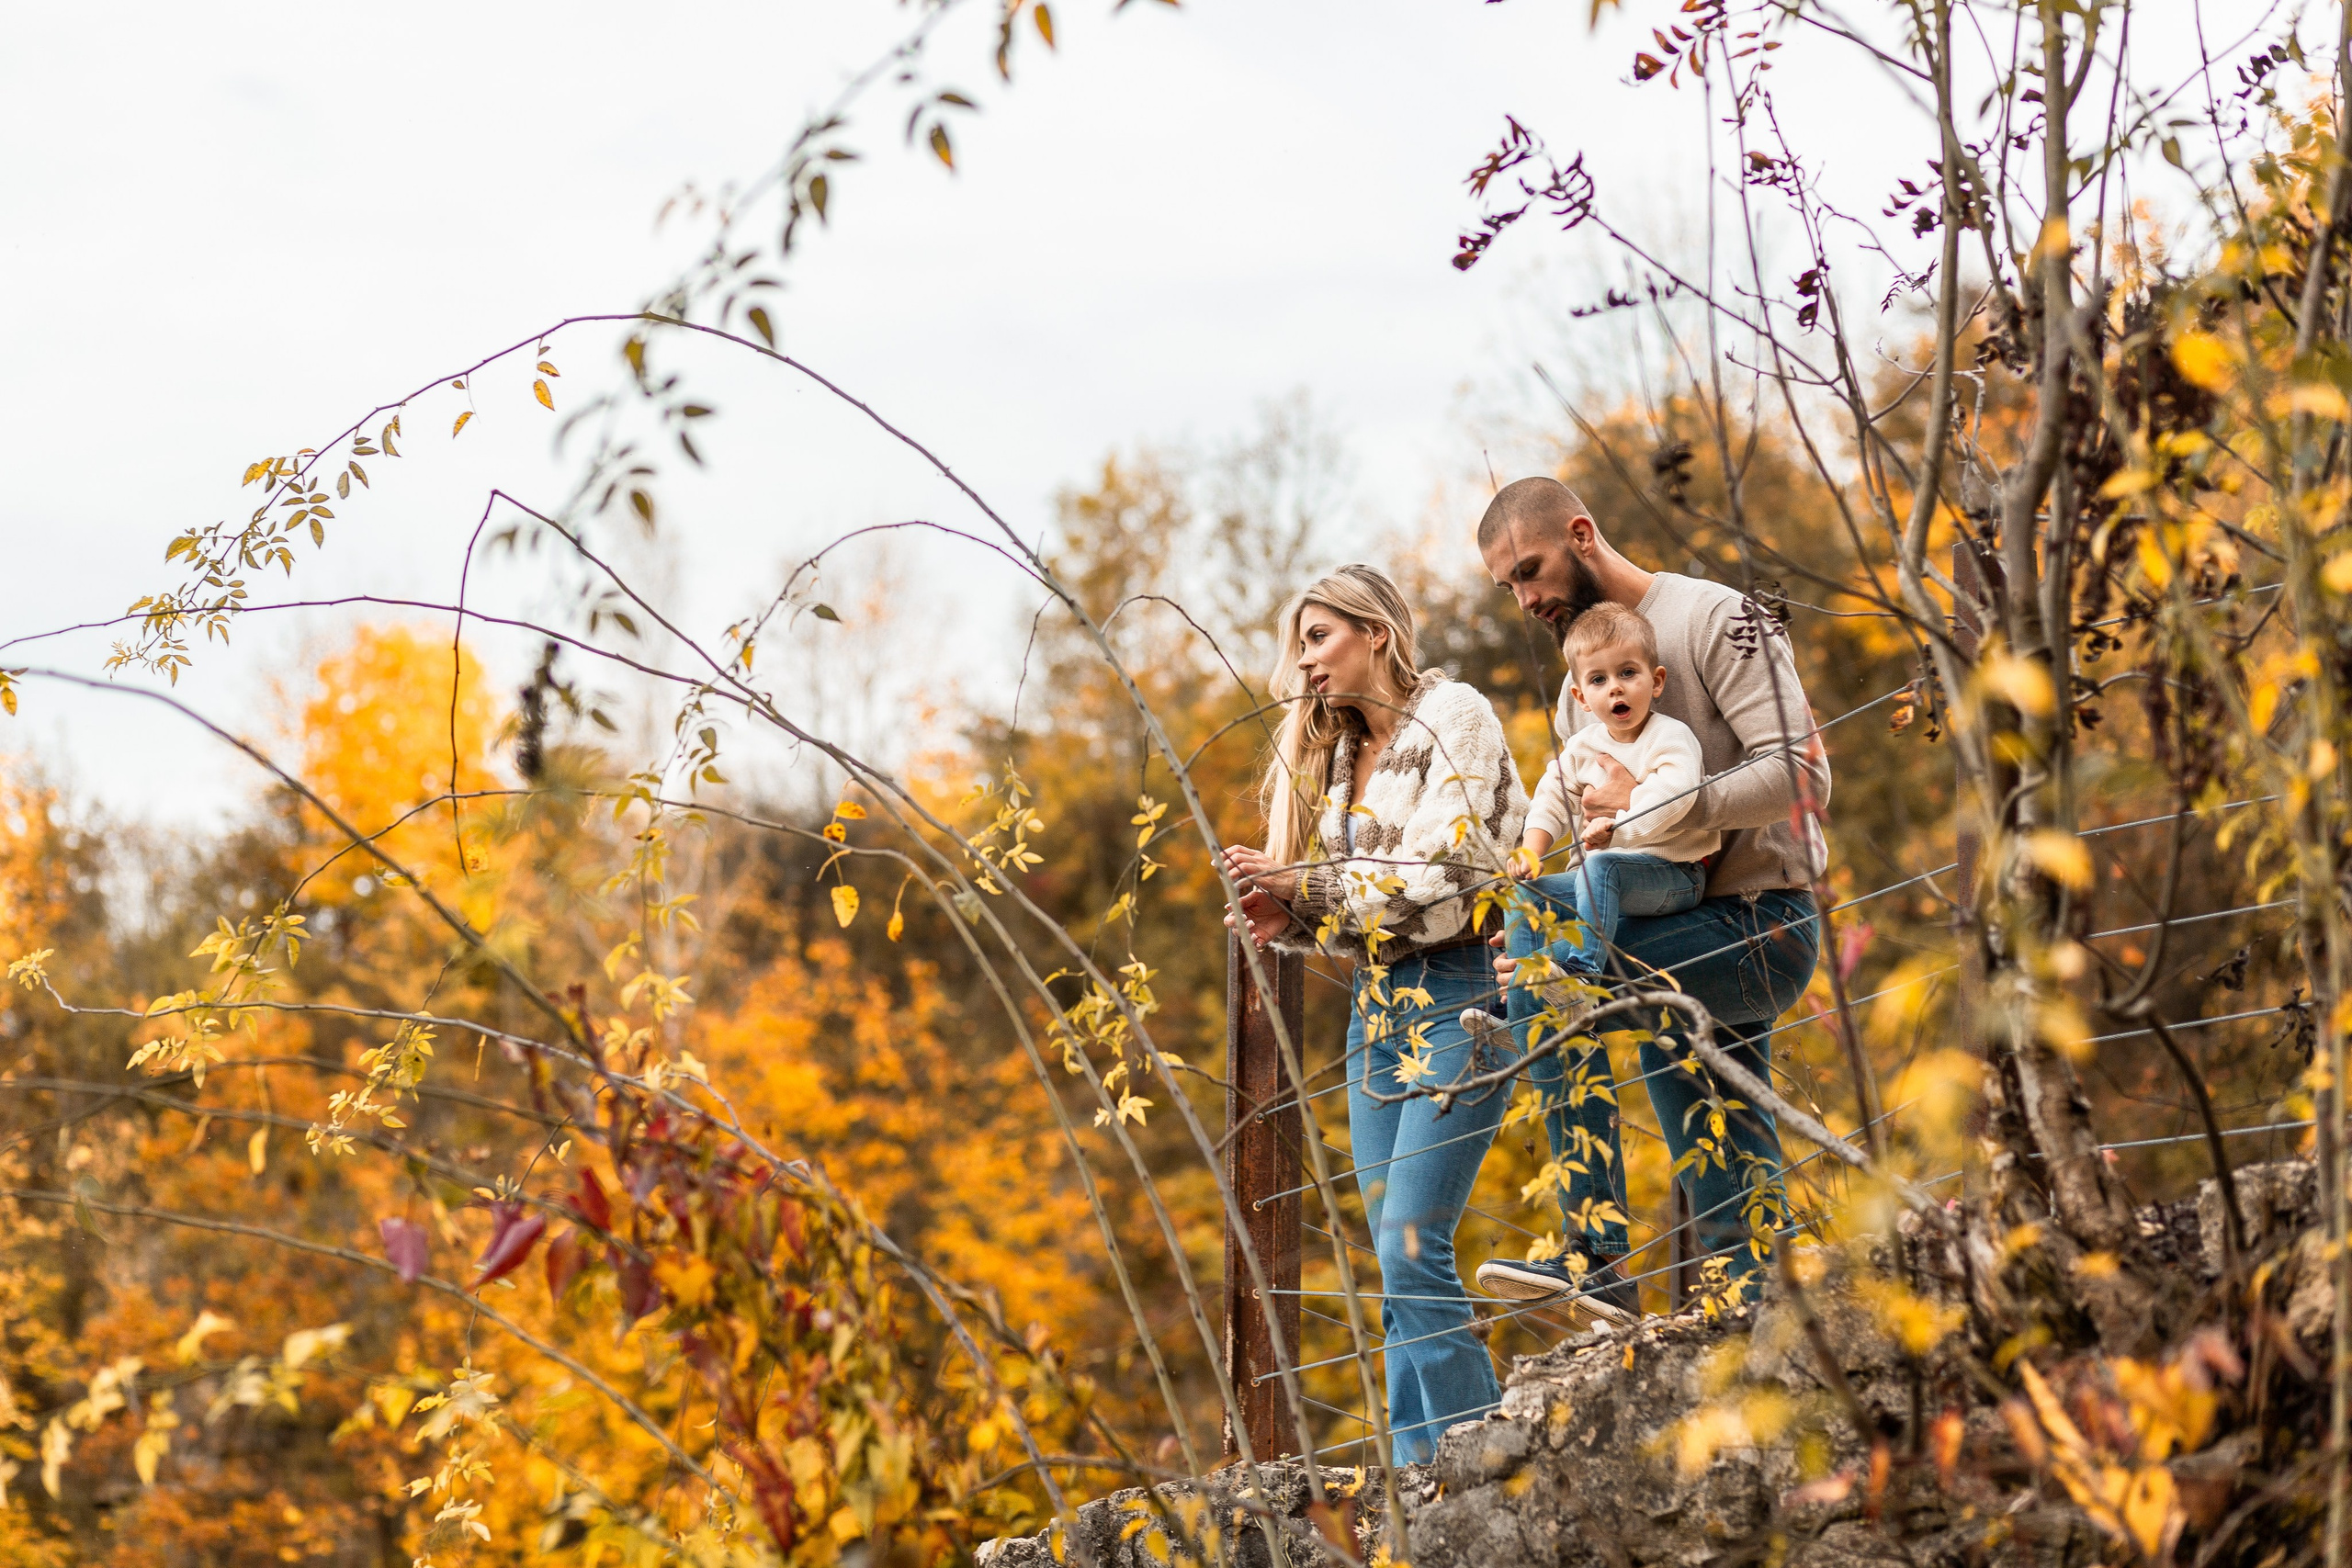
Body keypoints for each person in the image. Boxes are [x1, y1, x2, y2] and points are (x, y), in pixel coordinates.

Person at [1465, 478, 1828, 1316]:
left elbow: (1805, 773)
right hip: (1662, 925)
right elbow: (1589, 831)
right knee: (1722, 1161)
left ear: (1582, 534)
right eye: (1508, 586)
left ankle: (1594, 1255)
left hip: (1756, 924)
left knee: (1552, 986)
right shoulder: (1578, 687)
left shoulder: (1715, 618)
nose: (1526, 599)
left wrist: (1656, 806)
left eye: (1531, 570)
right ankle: (1773, 1334)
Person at [1221, 563, 1527, 1465]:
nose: (1304, 665)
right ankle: (1415, 1482)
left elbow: (1449, 877)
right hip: (1379, 1009)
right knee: (1393, 1265)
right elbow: (1363, 913)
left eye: (1317, 638)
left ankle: (1487, 1467)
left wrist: (1304, 884)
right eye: (1300, 647)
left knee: (1409, 1244)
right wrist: (1295, 916)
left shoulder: (1456, 715)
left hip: (1464, 990)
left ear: (1376, 634)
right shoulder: (1347, 763)